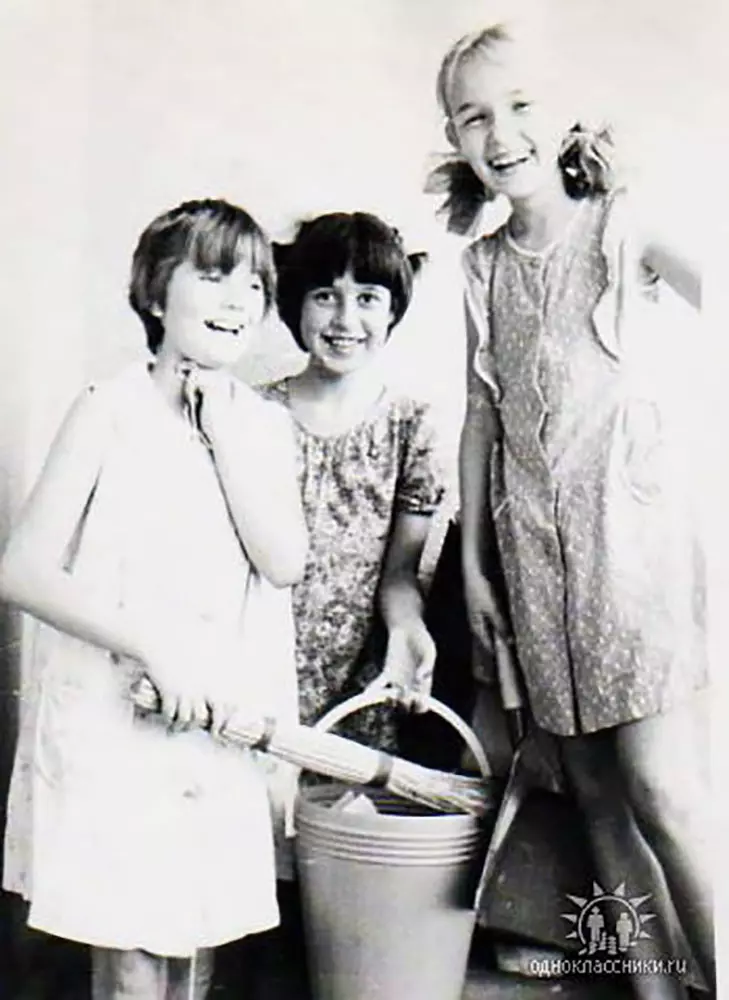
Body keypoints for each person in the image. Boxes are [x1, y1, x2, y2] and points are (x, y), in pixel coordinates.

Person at [431, 23, 711, 999]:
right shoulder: (480, 267)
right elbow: (481, 415)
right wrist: (476, 566)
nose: (500, 132)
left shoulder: (620, 225)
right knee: (593, 795)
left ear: (562, 116)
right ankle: (654, 991)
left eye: (520, 106)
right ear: (455, 139)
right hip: (533, 564)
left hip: (631, 550)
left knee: (663, 790)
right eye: (474, 117)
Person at [0, 199, 308, 1000]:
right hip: (116, 716)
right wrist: (150, 646)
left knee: (188, 953)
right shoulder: (107, 410)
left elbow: (282, 561)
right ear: (154, 294)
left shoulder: (260, 427)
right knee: (133, 957)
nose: (237, 300)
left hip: (213, 719)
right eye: (213, 276)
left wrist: (222, 437)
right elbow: (22, 570)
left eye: (254, 285)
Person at [262, 211, 447, 744]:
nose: (346, 319)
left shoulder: (411, 426)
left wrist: (408, 628)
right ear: (296, 302)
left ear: (392, 311)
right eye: (326, 296)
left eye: (367, 298)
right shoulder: (253, 415)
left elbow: (399, 575)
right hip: (260, 670)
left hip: (358, 689)